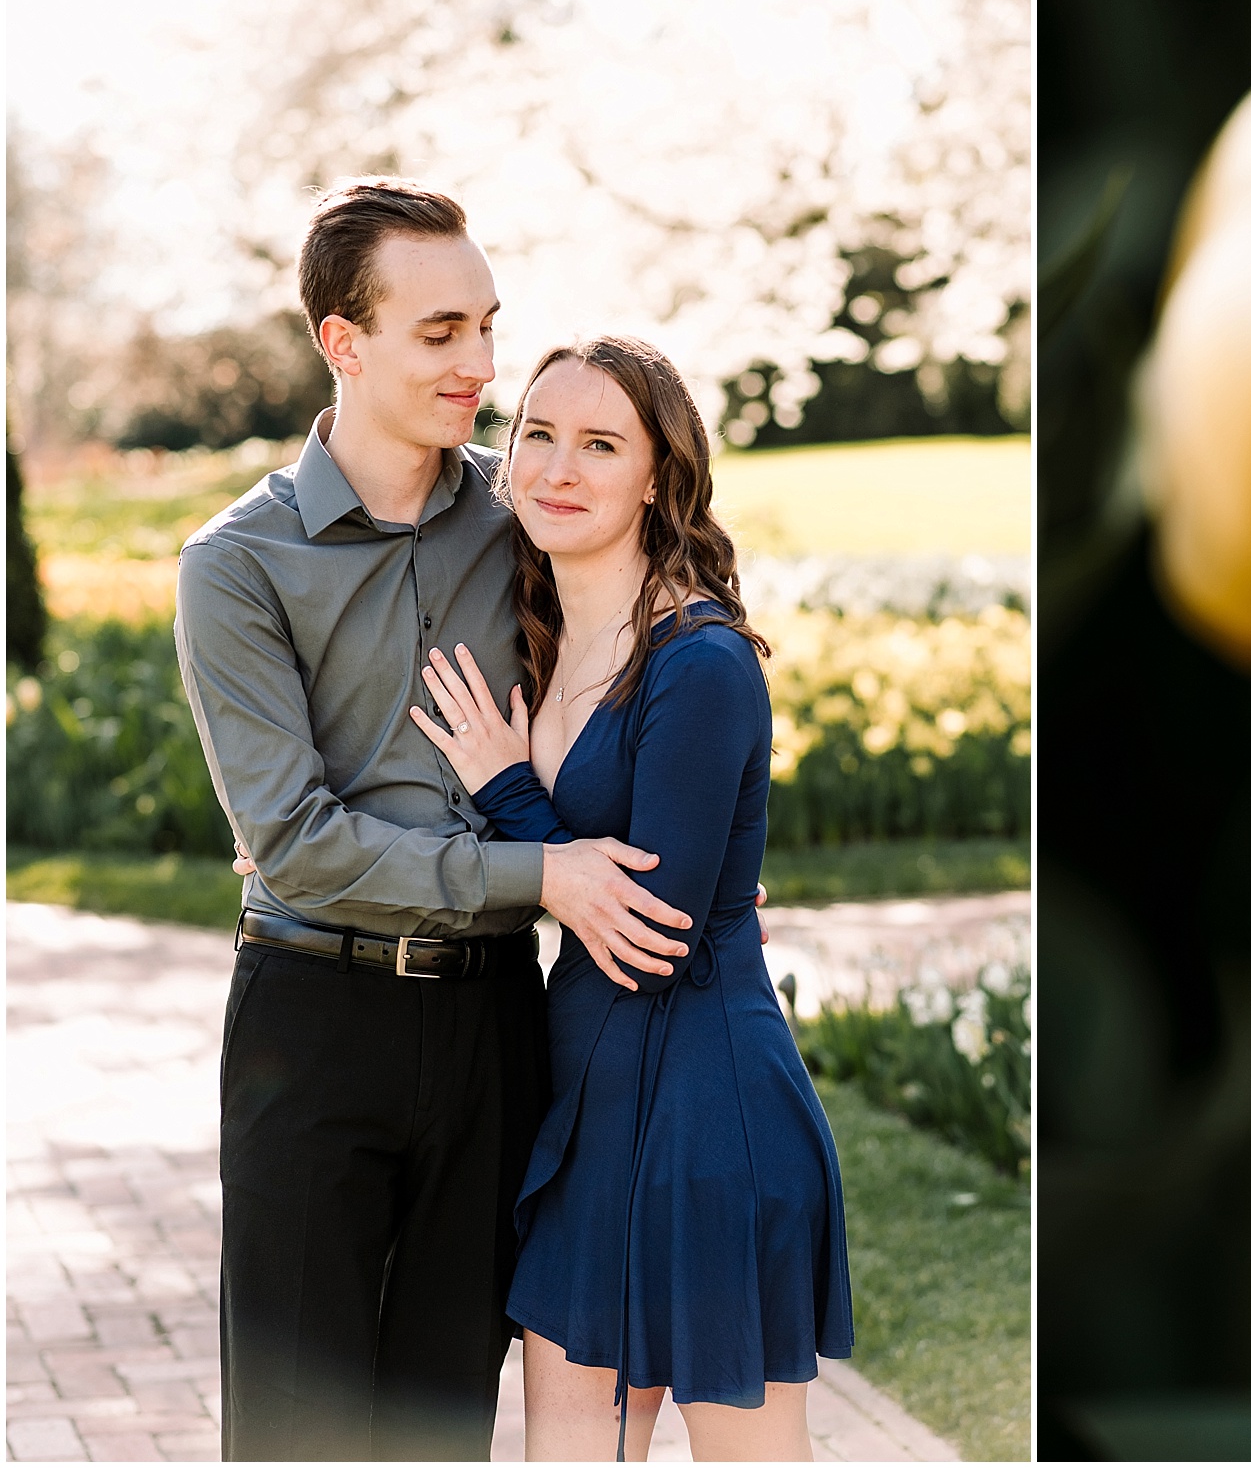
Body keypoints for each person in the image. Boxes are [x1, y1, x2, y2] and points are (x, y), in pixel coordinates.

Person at [176, 179, 740, 1460]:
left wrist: (706, 839)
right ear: (343, 342)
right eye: (440, 334)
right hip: (315, 1019)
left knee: (440, 1422)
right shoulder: (239, 566)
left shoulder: (523, 508)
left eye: (488, 326)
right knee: (299, 1430)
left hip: (496, 1024)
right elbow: (299, 841)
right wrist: (542, 874)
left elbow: (676, 626)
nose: (480, 366)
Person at [410, 335, 854, 1462]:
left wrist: (510, 791)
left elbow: (649, 932)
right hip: (587, 1115)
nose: (557, 468)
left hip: (709, 1116)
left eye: (600, 443)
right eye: (538, 435)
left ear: (658, 475)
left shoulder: (698, 663)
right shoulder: (542, 637)